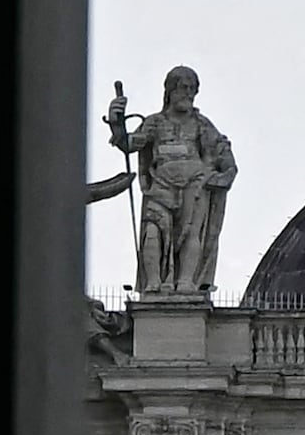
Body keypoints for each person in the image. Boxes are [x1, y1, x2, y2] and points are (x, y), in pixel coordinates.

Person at [97, 66, 238, 298]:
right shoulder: (155, 123)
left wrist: (225, 175)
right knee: (153, 231)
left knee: (192, 233)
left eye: (193, 89)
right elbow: (129, 144)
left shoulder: (202, 124)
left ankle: (186, 283)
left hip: (196, 183)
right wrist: (116, 123)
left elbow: (223, 151)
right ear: (170, 90)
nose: (188, 94)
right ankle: (153, 283)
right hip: (160, 184)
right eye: (184, 88)